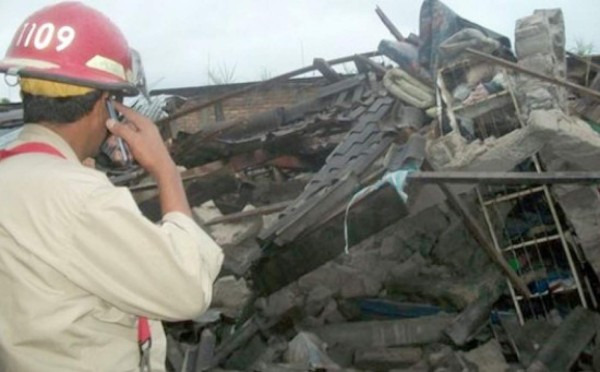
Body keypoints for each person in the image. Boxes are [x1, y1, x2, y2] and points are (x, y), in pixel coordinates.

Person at [0, 2, 223, 371]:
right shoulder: (80, 199)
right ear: (104, 104)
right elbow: (188, 291)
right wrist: (166, 171)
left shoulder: (12, 166)